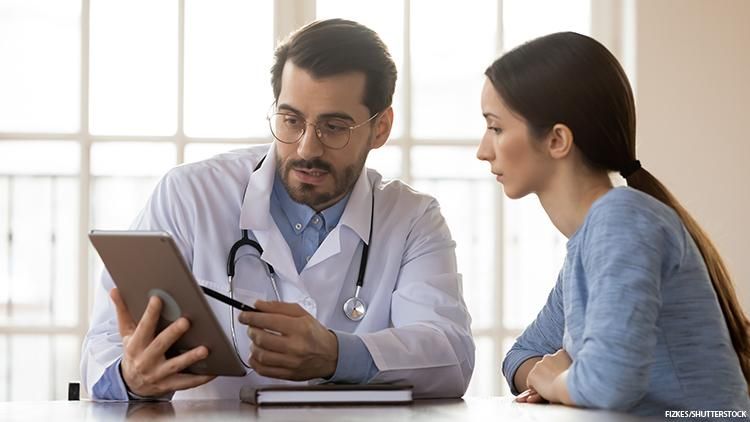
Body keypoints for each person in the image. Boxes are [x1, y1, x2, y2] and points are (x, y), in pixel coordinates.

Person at [81, 18, 474, 400]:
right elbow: (104, 348)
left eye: (333, 127)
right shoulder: (189, 195)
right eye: (291, 120)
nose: (307, 148)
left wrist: (336, 355)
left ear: (381, 127)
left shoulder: (412, 219)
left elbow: (451, 356)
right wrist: (131, 377)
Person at [476, 32, 750, 415]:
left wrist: (559, 381)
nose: (482, 151)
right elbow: (520, 357)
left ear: (557, 140)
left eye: (496, 128)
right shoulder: (589, 241)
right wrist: (558, 379)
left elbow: (607, 385)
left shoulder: (622, 220)